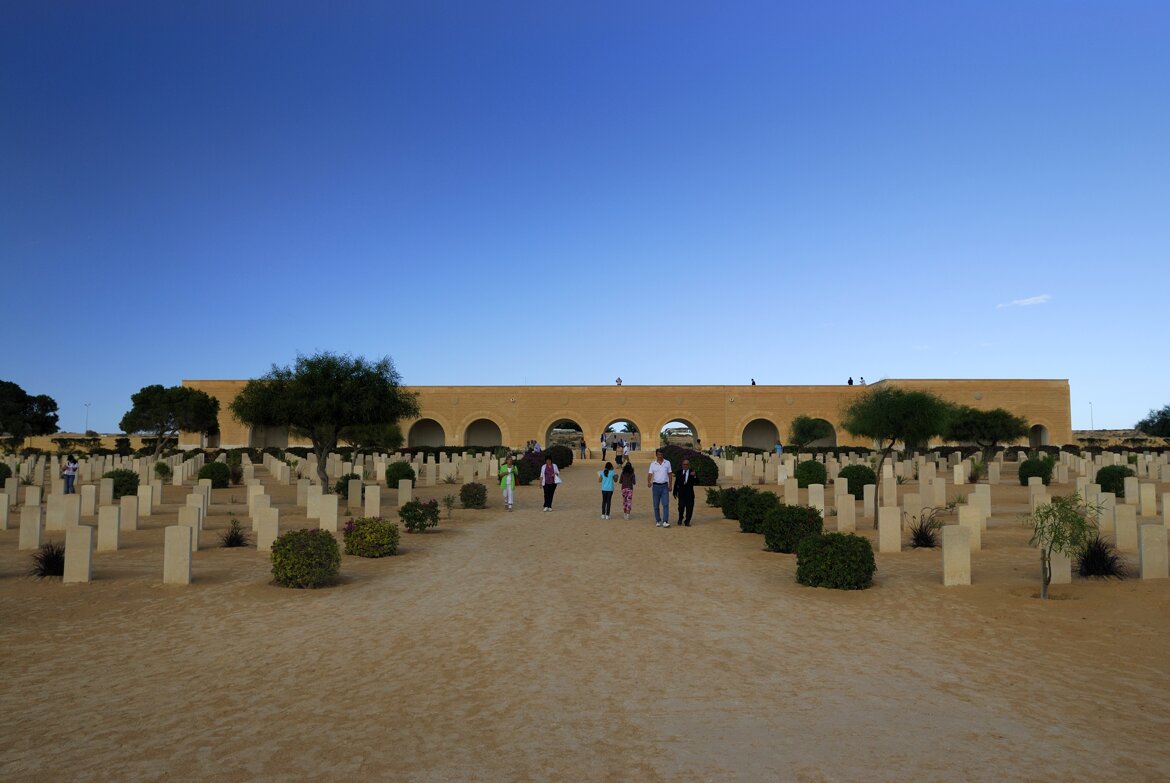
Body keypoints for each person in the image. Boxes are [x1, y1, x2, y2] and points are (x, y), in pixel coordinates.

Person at [647, 449, 673, 527]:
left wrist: (670, 485)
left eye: (661, 454)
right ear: (656, 455)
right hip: (656, 486)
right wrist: (649, 482)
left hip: (665, 486)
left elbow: (670, 474)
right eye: (659, 454)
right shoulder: (653, 464)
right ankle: (658, 520)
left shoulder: (667, 463)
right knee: (656, 505)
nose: (660, 456)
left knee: (665, 504)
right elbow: (650, 474)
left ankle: (665, 521)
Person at [673, 458, 698, 526]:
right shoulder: (679, 472)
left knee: (689, 508)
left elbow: (697, 482)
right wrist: (674, 492)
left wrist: (695, 476)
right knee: (681, 507)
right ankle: (680, 518)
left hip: (690, 494)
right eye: (684, 464)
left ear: (689, 465)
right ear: (682, 465)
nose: (685, 466)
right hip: (681, 494)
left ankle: (687, 521)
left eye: (687, 464)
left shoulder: (692, 472)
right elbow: (676, 483)